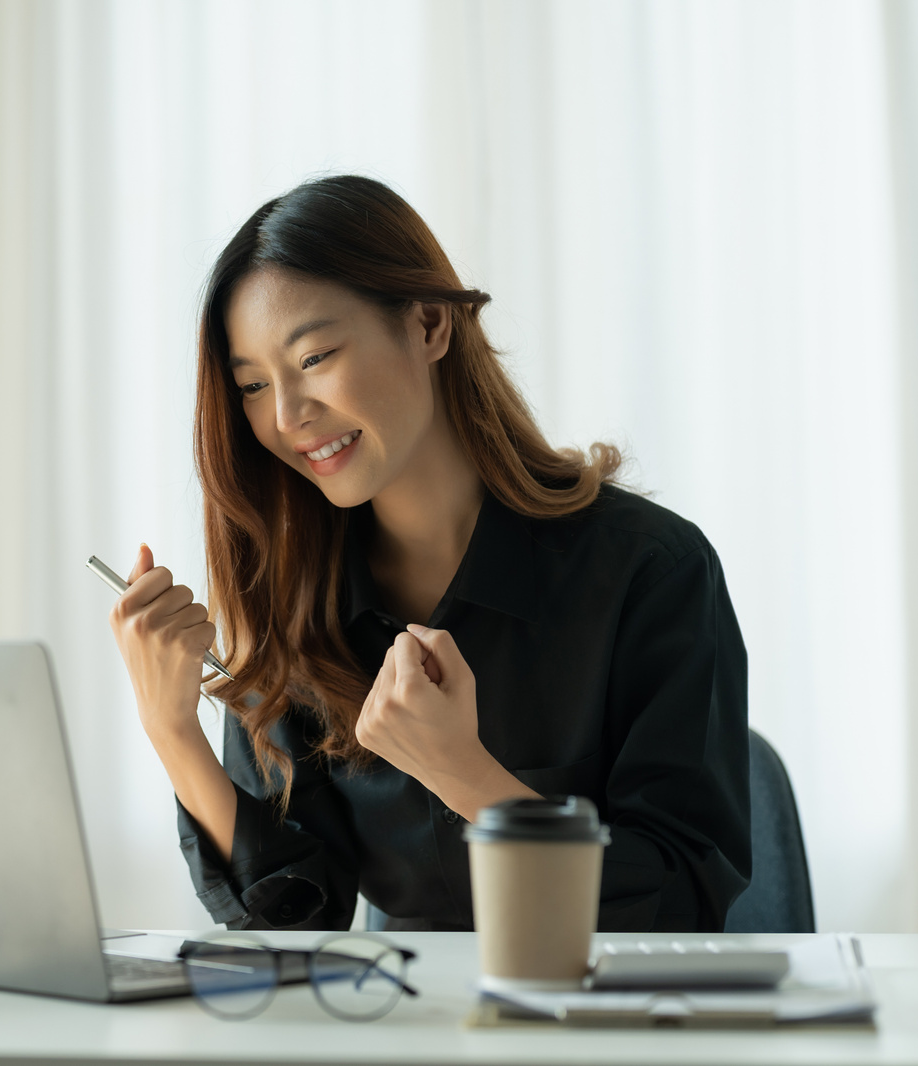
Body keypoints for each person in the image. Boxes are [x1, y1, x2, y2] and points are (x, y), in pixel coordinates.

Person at [106, 176, 750, 933]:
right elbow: (294, 926)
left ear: (430, 325)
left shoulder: (651, 570)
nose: (286, 416)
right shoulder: (293, 601)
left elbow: (681, 901)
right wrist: (172, 731)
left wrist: (465, 775)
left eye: (314, 358)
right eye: (252, 384)